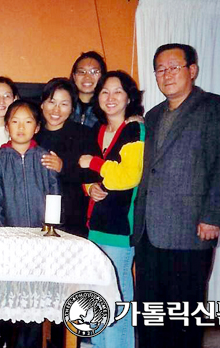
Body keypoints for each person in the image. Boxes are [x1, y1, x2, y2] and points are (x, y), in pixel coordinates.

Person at [132, 43, 220, 348]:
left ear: (192, 70)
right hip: (149, 230)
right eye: (160, 69)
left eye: (174, 67)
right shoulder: (151, 116)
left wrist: (213, 217)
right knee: (149, 310)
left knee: (185, 311)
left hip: (191, 228)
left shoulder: (216, 107)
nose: (167, 74)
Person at [78, 70, 145, 348]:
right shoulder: (99, 130)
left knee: (118, 297)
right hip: (95, 227)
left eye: (118, 91)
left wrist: (94, 164)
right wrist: (89, 187)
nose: (110, 97)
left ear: (129, 97)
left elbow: (128, 177)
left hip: (120, 228)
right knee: (96, 296)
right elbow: (86, 177)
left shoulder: (135, 129)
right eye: (105, 91)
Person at [0, 100, 59, 347]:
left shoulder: (45, 158)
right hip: (9, 244)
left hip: (41, 243)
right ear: (6, 126)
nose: (21, 127)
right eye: (15, 121)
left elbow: (54, 195)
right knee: (7, 303)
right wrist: (4, 238)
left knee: (35, 303)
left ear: (37, 127)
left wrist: (49, 232)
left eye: (28, 121)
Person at [36, 77, 100, 237]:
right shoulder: (32, 134)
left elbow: (95, 172)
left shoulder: (83, 134)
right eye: (51, 102)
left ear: (72, 108)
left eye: (64, 104)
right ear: (42, 104)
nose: (56, 110)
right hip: (36, 217)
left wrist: (63, 167)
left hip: (73, 218)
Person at [69, 51, 107, 129]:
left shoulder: (108, 107)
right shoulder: (64, 105)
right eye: (81, 72)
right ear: (74, 76)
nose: (87, 77)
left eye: (94, 72)